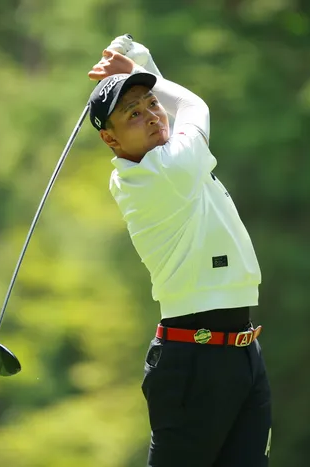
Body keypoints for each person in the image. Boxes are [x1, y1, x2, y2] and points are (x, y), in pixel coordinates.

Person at [87, 35, 272, 467]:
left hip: (241, 351)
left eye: (152, 104)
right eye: (133, 114)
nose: (152, 115)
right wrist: (138, 67)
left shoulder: (163, 161)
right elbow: (193, 106)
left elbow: (173, 114)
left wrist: (141, 65)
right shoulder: (165, 172)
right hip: (196, 361)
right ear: (111, 140)